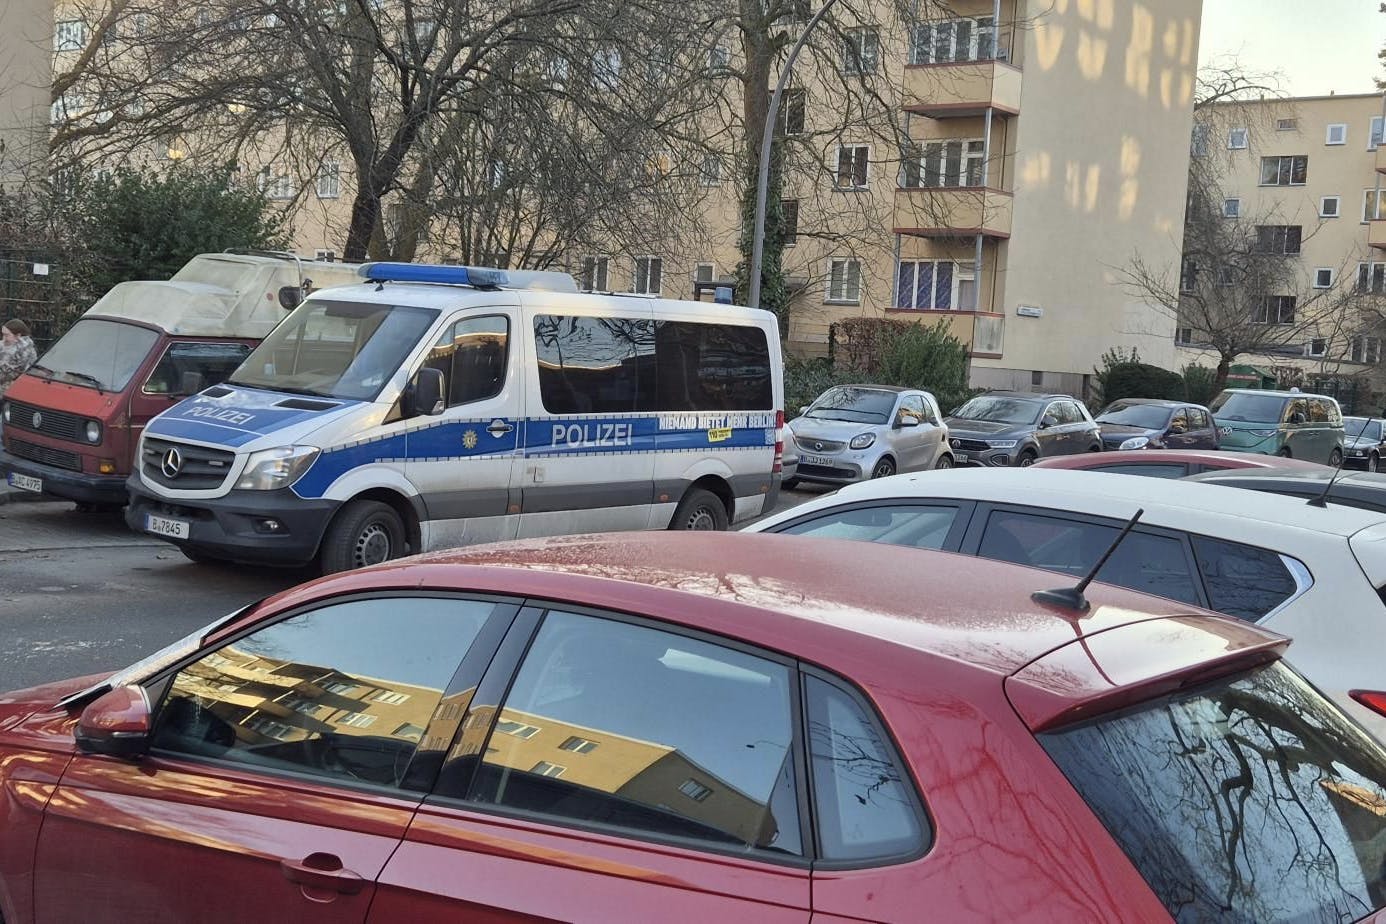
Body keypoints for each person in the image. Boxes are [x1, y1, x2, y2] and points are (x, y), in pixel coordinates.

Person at [0, 319, 38, 395]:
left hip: (16, 385)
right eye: (3, 334)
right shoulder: (8, 343)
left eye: (6, 335)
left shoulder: (25, 350)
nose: (3, 338)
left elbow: (13, 373)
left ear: (18, 335)